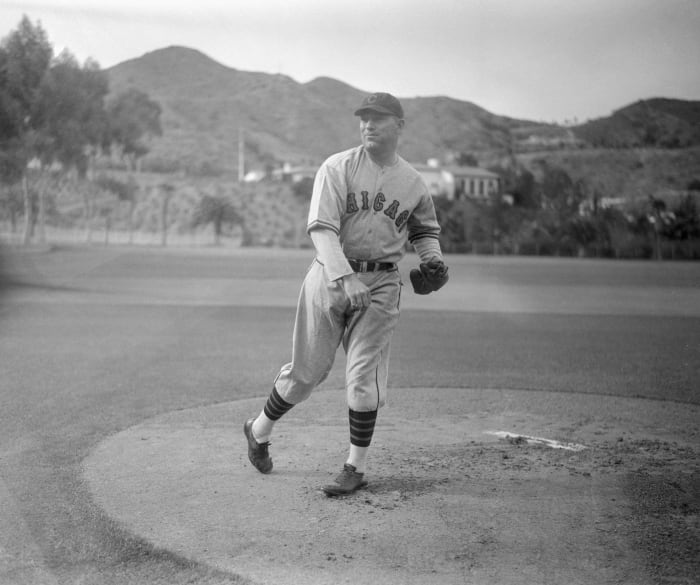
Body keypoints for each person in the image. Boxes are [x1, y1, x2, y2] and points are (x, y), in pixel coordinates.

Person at [243, 92, 448, 496]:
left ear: (399, 126)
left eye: (379, 118)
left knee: (363, 377)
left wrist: (433, 261)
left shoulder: (412, 181)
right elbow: (321, 229)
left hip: (382, 284)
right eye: (364, 118)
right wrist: (344, 276)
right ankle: (258, 429)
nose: (368, 125)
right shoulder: (336, 167)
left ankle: (354, 467)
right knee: (306, 375)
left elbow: (425, 230)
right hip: (328, 277)